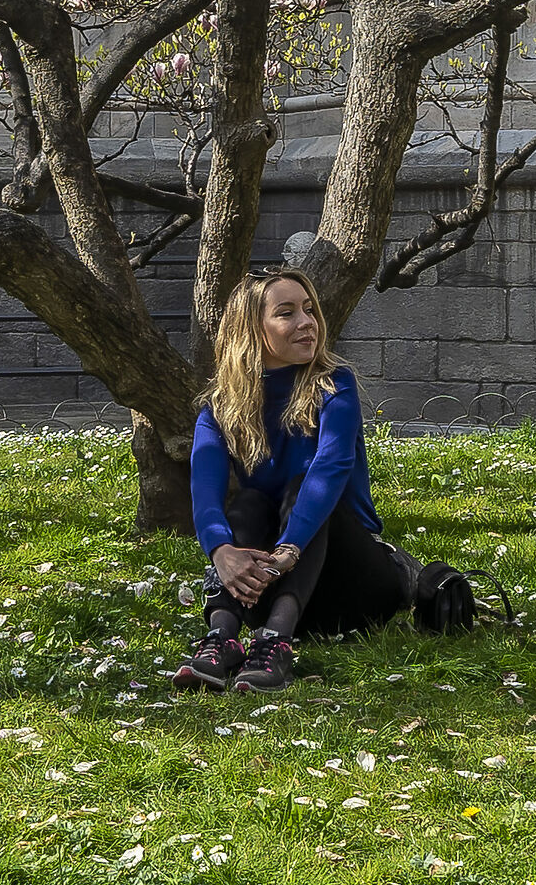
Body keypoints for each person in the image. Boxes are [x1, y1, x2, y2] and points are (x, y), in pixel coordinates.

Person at [173, 266, 414, 694]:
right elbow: (204, 495)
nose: (307, 323)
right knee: (247, 504)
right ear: (251, 329)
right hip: (265, 590)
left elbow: (330, 470)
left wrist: (288, 551)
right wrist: (221, 552)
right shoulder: (219, 408)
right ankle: (221, 639)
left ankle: (276, 644)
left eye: (309, 310)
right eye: (287, 313)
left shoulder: (335, 386)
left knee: (303, 489)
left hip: (353, 586)